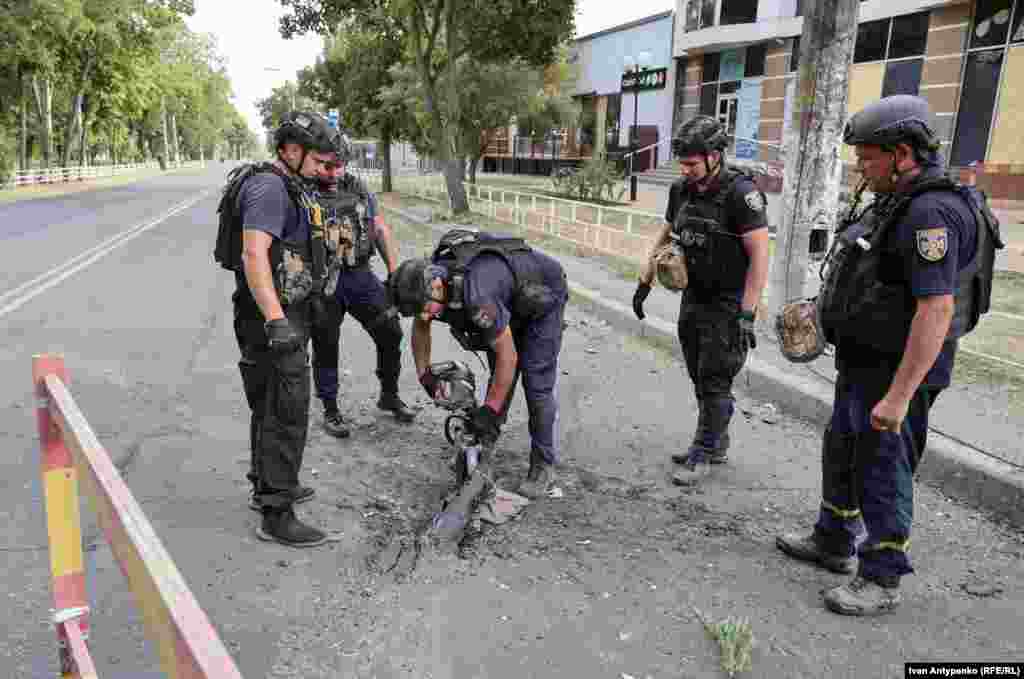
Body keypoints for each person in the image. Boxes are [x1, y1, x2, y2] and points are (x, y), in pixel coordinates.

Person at [776, 95, 1001, 615]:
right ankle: (833, 540)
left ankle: (881, 576)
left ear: (901, 154)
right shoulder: (897, 198)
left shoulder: (931, 212)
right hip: (864, 361)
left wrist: (899, 398)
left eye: (866, 156)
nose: (860, 166)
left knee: (882, 467)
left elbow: (936, 309)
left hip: (898, 370)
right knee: (843, 449)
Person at [216, 111, 338, 547]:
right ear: (291, 150)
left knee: (270, 405)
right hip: (271, 318)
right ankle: (277, 512)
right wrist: (276, 321)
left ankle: (266, 483)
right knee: (287, 409)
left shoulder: (287, 183)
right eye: (318, 160)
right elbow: (254, 254)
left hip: (276, 313)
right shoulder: (269, 188)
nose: (323, 168)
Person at [631, 115, 770, 486]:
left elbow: (760, 255)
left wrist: (747, 313)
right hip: (694, 297)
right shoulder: (682, 189)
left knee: (714, 378)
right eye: (682, 162)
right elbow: (665, 234)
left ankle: (704, 451)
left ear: (714, 156)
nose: (685, 169)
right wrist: (645, 281)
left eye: (691, 163)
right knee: (698, 372)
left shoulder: (741, 194)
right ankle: (716, 441)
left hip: (728, 303)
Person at [388, 229, 569, 499]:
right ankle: (482, 446)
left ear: (436, 286)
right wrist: (424, 375)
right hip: (508, 301)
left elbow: (508, 356)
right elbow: (421, 326)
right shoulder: (429, 285)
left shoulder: (476, 295)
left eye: (425, 309)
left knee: (535, 383)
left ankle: (543, 465)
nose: (424, 316)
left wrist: (489, 411)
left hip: (542, 297)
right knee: (500, 378)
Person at [309, 128, 416, 438]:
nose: (333, 172)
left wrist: (394, 273)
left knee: (390, 331)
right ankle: (330, 408)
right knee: (326, 344)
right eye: (327, 165)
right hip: (324, 281)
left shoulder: (356, 187)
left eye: (339, 165)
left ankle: (389, 395)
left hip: (359, 275)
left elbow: (379, 229)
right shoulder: (303, 190)